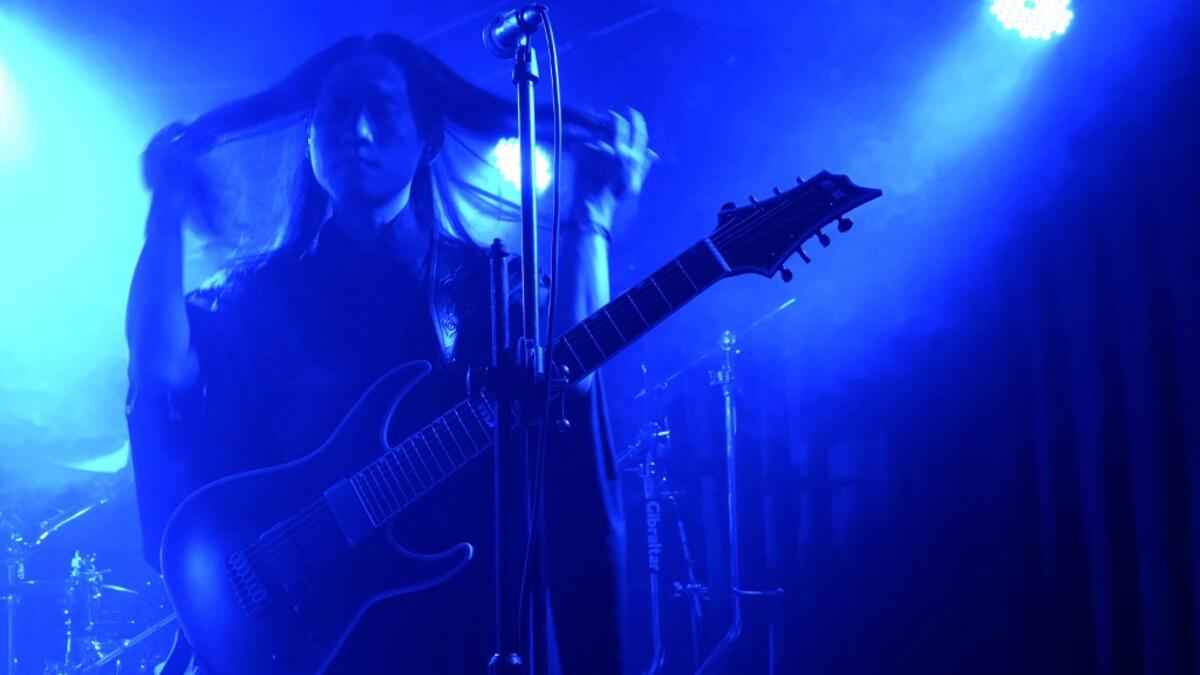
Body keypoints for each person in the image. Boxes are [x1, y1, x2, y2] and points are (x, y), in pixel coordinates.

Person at [125, 33, 653, 673]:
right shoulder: (254, 296)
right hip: (304, 627)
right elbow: (160, 373)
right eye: (336, 111)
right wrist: (166, 210)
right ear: (311, 138)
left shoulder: (487, 285)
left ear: (428, 138)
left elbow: (569, 380)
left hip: (455, 624)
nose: (358, 130)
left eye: (382, 108)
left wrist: (589, 215)